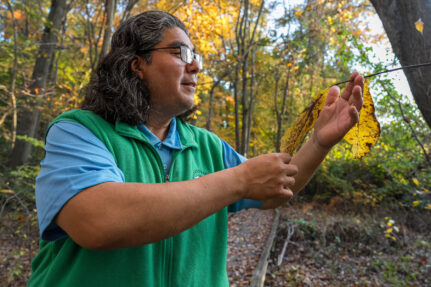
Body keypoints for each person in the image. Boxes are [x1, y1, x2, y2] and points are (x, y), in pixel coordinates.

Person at [27, 10, 364, 287]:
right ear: (136, 64)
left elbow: (276, 189)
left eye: (196, 56)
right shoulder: (80, 131)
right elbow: (98, 221)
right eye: (180, 53)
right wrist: (238, 181)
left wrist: (319, 142)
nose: (196, 66)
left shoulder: (205, 145)